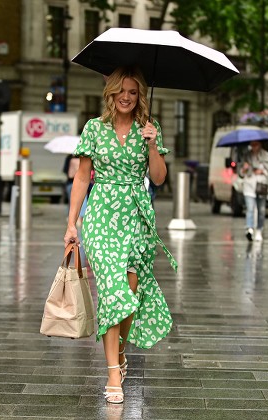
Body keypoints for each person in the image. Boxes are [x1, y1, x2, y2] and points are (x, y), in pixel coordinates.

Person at [63, 67, 177, 404]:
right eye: (120, 91)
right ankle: (114, 372)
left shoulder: (149, 131)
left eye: (132, 91)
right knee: (113, 293)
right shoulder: (95, 129)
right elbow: (82, 178)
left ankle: (120, 355)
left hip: (136, 218)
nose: (125, 97)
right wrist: (72, 223)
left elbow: (158, 179)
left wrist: (153, 145)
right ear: (110, 94)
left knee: (128, 296)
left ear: (140, 95)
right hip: (100, 217)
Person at [238, 140, 268, 242]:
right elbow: (241, 172)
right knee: (250, 208)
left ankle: (259, 229)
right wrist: (244, 169)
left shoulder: (266, 156)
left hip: (261, 185)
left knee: (261, 209)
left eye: (256, 144)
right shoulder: (246, 156)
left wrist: (262, 171)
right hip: (249, 185)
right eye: (252, 144)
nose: (254, 147)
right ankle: (249, 228)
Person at [63, 154, 89, 226]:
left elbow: (65, 171)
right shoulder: (85, 157)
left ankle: (72, 218)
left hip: (70, 182)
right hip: (81, 182)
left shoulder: (69, 157)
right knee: (83, 201)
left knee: (72, 201)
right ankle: (80, 218)